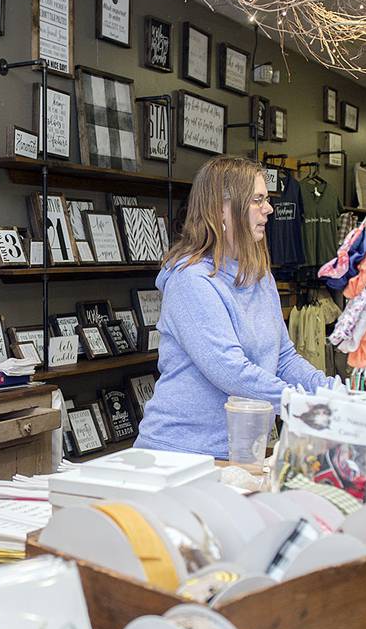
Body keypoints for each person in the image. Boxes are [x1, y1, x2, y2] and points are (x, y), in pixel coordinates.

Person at [136, 155, 329, 458]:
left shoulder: (259, 274)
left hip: (239, 450)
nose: (269, 209)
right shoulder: (191, 281)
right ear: (221, 210)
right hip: (179, 452)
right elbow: (230, 372)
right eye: (257, 200)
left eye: (266, 200)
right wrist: (303, 404)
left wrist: (330, 390)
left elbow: (283, 357)